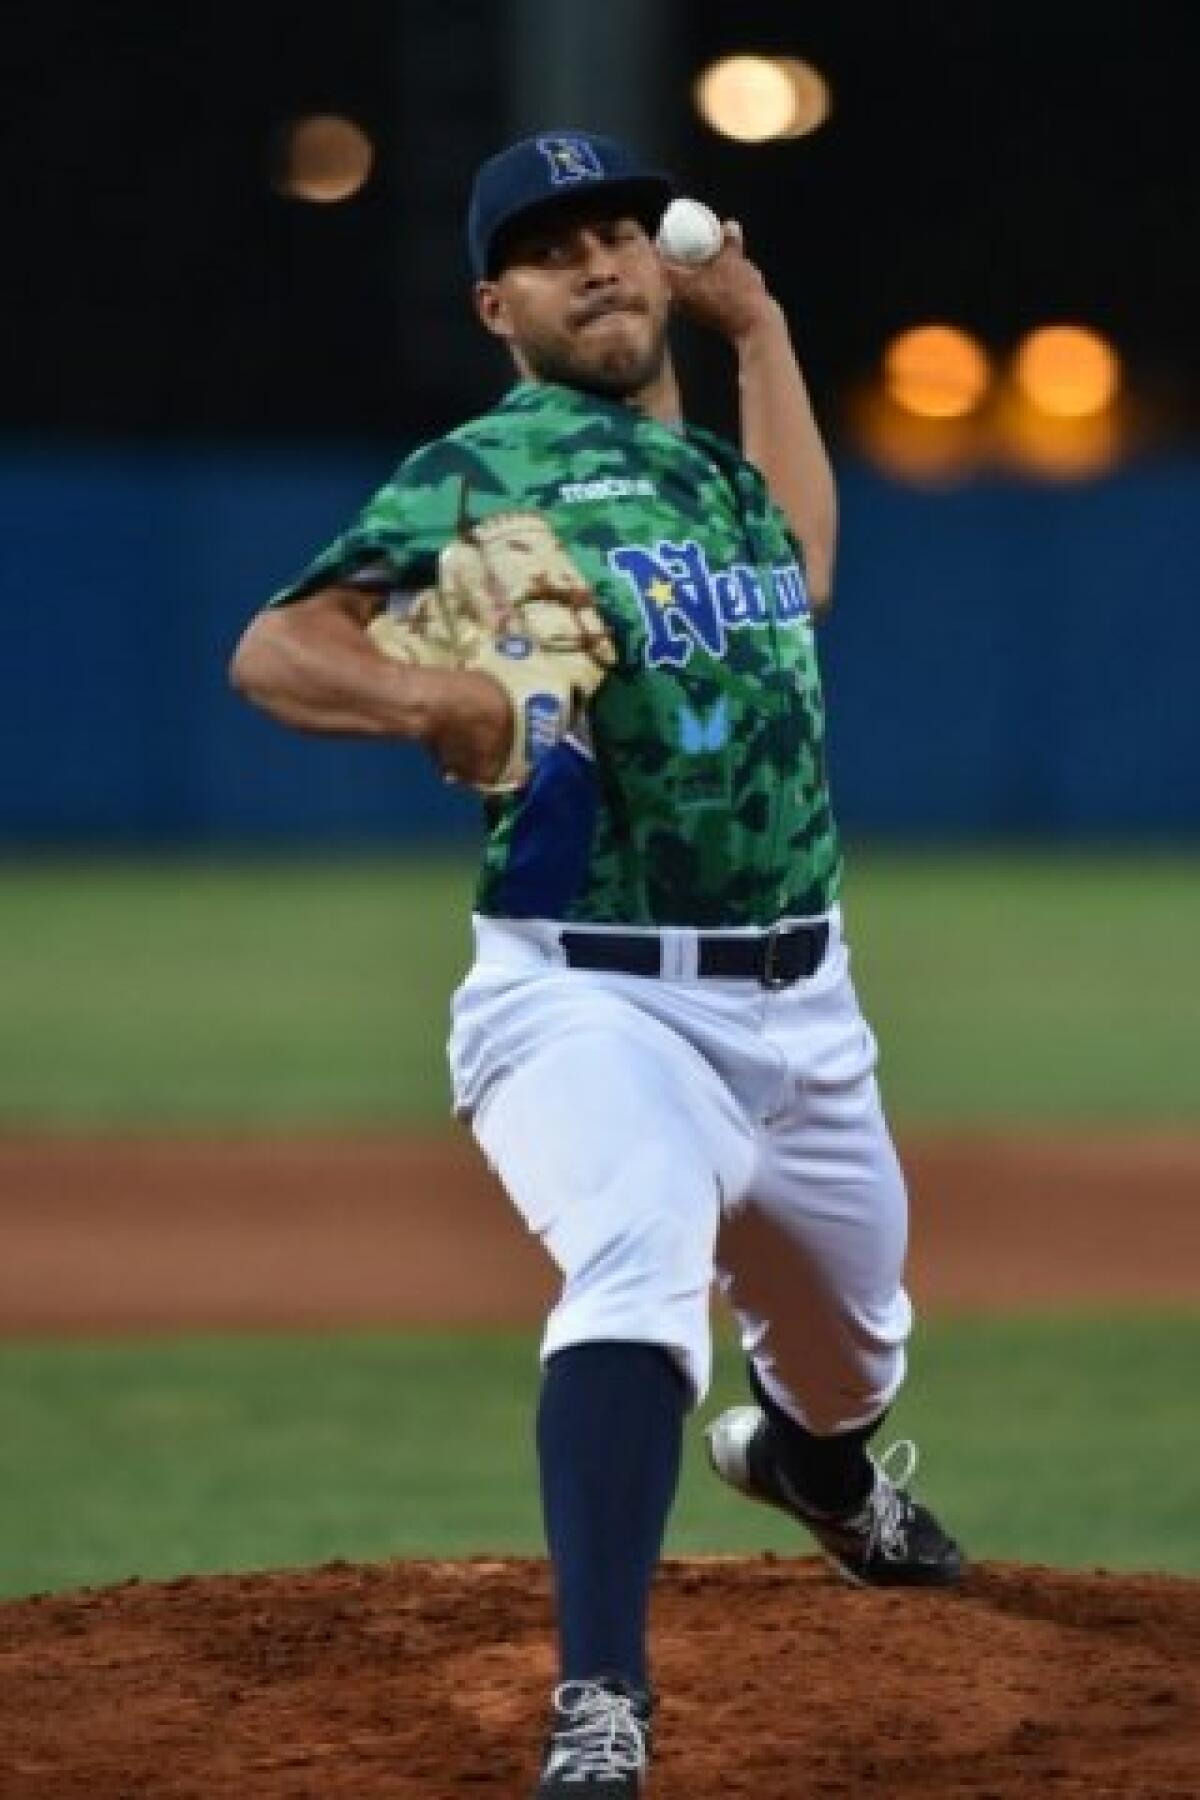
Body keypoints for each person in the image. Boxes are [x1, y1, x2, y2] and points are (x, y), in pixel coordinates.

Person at [231, 129, 964, 1799]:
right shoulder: (479, 471)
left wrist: (761, 331)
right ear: (502, 302)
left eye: (622, 232)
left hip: (808, 999)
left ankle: (817, 1472)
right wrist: (438, 696)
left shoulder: (704, 473)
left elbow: (811, 564)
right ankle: (602, 1705)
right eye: (556, 249)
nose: (603, 261)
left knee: (854, 1353)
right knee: (634, 1261)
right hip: (588, 992)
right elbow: (277, 647)